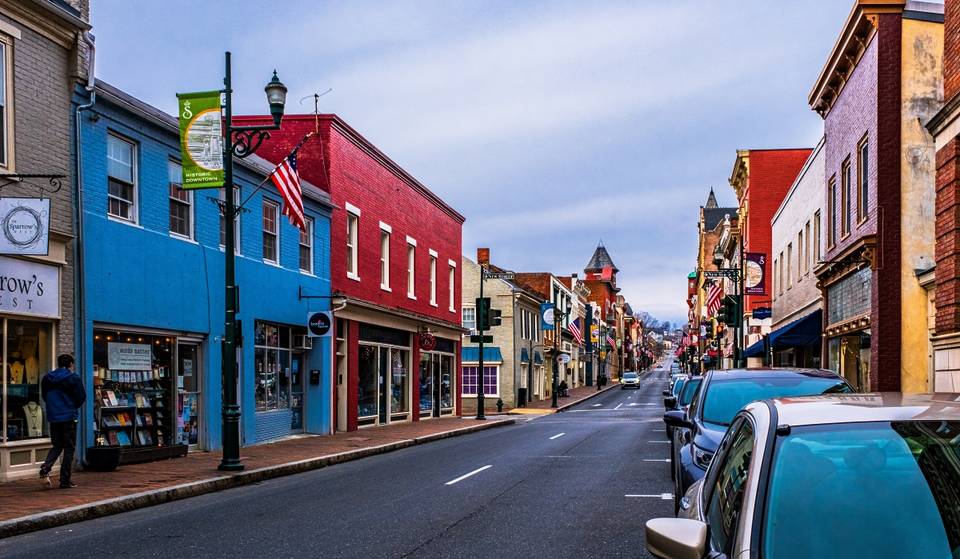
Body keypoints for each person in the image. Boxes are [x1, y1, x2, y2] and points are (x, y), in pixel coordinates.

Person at [39, 354, 85, 488]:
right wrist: (71, 407)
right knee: (69, 448)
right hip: (68, 417)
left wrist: (55, 409)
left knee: (57, 445)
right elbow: (81, 397)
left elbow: (45, 396)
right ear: (70, 364)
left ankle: (46, 467)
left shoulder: (47, 378)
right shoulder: (73, 378)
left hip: (54, 417)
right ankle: (65, 480)